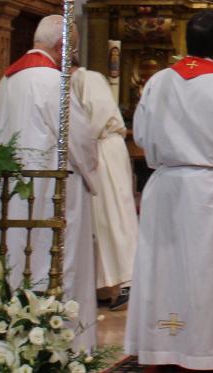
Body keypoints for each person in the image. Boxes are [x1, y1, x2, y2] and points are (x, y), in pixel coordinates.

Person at [125, 9, 213, 370]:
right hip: (210, 188)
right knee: (209, 270)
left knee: (164, 266)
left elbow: (140, 133)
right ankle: (209, 348)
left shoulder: (157, 82)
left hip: (166, 185)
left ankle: (162, 345)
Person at [0, 15, 100, 350]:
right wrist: (93, 174)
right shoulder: (52, 81)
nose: (71, 59)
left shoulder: (8, 80)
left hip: (12, 190)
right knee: (55, 263)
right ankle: (64, 345)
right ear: (62, 46)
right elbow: (81, 138)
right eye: (72, 51)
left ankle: (10, 341)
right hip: (51, 189)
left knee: (15, 259)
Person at [72, 67, 139, 309]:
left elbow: (95, 116)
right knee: (99, 218)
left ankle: (129, 280)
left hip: (103, 149)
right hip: (94, 149)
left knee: (115, 213)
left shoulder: (87, 77)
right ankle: (104, 284)